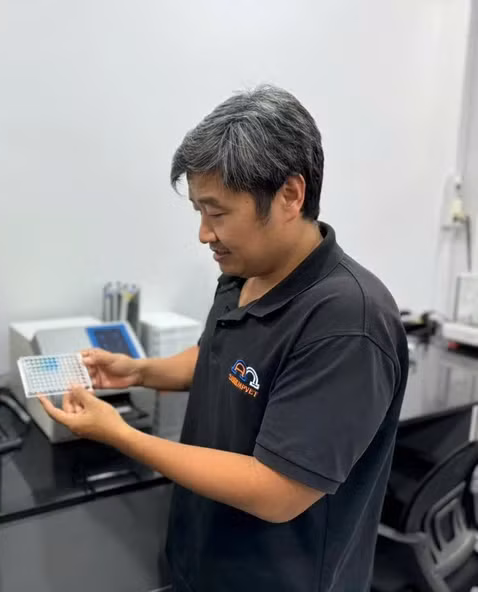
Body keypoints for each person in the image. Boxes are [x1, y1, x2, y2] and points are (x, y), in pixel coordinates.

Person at [40, 85, 409, 592]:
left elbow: (277, 490)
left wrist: (122, 435)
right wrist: (141, 371)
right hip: (199, 554)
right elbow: (221, 359)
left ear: (290, 195)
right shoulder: (243, 269)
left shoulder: (348, 323)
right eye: (198, 212)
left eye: (216, 213)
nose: (203, 234)